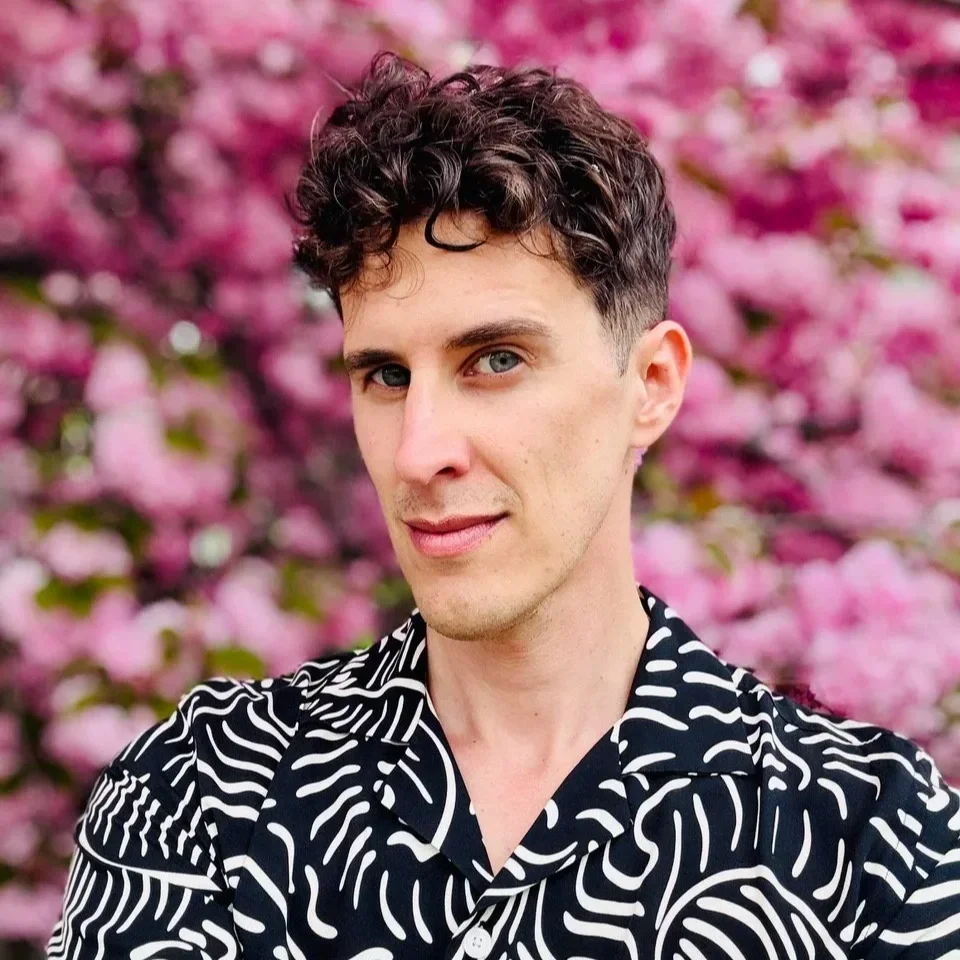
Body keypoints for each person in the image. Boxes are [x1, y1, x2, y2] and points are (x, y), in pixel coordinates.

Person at [47, 51, 959, 960]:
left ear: (650, 384)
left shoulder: (871, 839)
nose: (420, 450)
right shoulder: (201, 796)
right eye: (386, 375)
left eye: (496, 361)